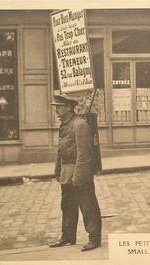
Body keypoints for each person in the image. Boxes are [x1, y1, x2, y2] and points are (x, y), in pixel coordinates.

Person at [48, 94, 102, 251]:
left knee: (87, 205)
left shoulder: (80, 125)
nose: (57, 110)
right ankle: (67, 236)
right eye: (56, 107)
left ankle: (94, 238)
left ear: (69, 108)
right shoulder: (64, 125)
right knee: (67, 206)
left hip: (79, 171)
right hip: (67, 171)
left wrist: (78, 176)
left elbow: (84, 153)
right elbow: (61, 149)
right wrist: (58, 169)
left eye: (59, 107)